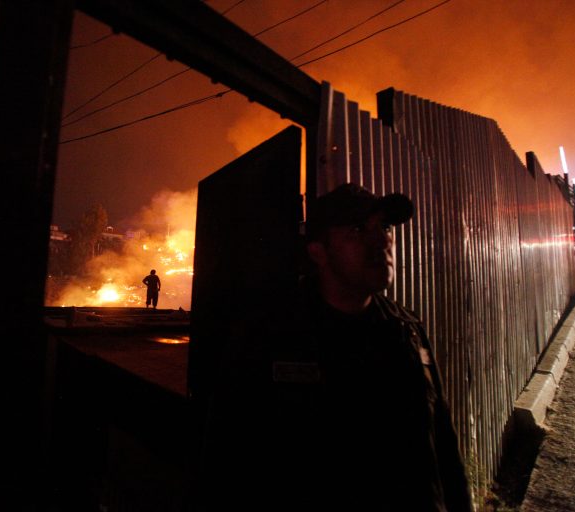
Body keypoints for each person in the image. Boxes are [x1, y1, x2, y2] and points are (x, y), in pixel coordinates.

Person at [197, 184, 472, 511]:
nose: (382, 240)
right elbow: (225, 464)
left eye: (384, 227)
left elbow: (442, 448)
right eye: (357, 230)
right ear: (318, 252)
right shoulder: (268, 339)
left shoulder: (408, 331)